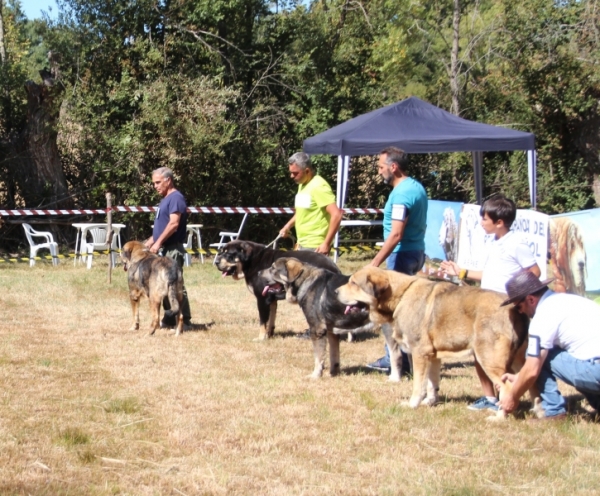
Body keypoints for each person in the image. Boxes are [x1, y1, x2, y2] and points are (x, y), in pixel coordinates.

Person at [441, 194, 540, 412]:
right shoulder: (496, 242)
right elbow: (491, 274)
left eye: (484, 219)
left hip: (507, 310)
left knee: (515, 358)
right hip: (487, 308)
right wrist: (462, 272)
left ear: (499, 222)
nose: (481, 222)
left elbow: (534, 271)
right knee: (480, 353)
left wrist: (518, 297)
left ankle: (533, 399)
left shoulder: (515, 243)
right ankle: (491, 398)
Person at [498, 271, 600, 420]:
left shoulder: (543, 317)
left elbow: (533, 369)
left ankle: (554, 413)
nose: (521, 312)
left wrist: (512, 397)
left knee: (537, 355)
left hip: (595, 370)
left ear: (531, 299)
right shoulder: (571, 300)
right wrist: (520, 377)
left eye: (519, 307)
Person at [366, 147, 428, 374]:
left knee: (394, 311)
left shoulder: (402, 194)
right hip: (416, 251)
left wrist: (374, 264)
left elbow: (396, 234)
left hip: (401, 255)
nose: (380, 172)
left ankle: (395, 360)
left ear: (394, 167)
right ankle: (411, 360)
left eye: (381, 167)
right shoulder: (416, 187)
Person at [145, 167, 193, 330]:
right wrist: (151, 241)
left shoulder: (176, 198)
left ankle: (184, 320)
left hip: (172, 249)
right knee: (163, 285)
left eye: (158, 182)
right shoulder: (165, 199)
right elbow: (163, 225)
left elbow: (173, 224)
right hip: (164, 248)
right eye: (154, 183)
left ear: (168, 180)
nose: (155, 186)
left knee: (176, 285)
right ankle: (170, 317)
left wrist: (158, 243)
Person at [279, 152, 343, 254]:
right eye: (290, 172)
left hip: (315, 247)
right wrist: (287, 226)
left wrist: (326, 243)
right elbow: (301, 212)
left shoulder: (319, 186)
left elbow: (336, 215)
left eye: (295, 173)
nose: (291, 176)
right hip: (301, 244)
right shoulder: (302, 184)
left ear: (307, 171)